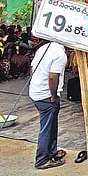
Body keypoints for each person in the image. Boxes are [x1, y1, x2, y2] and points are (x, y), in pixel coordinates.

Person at [29, 41, 67, 169]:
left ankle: (51, 152)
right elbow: (52, 77)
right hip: (45, 95)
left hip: (36, 91)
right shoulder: (60, 54)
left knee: (51, 124)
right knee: (46, 127)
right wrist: (53, 95)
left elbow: (32, 68)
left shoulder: (44, 48)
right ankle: (42, 159)